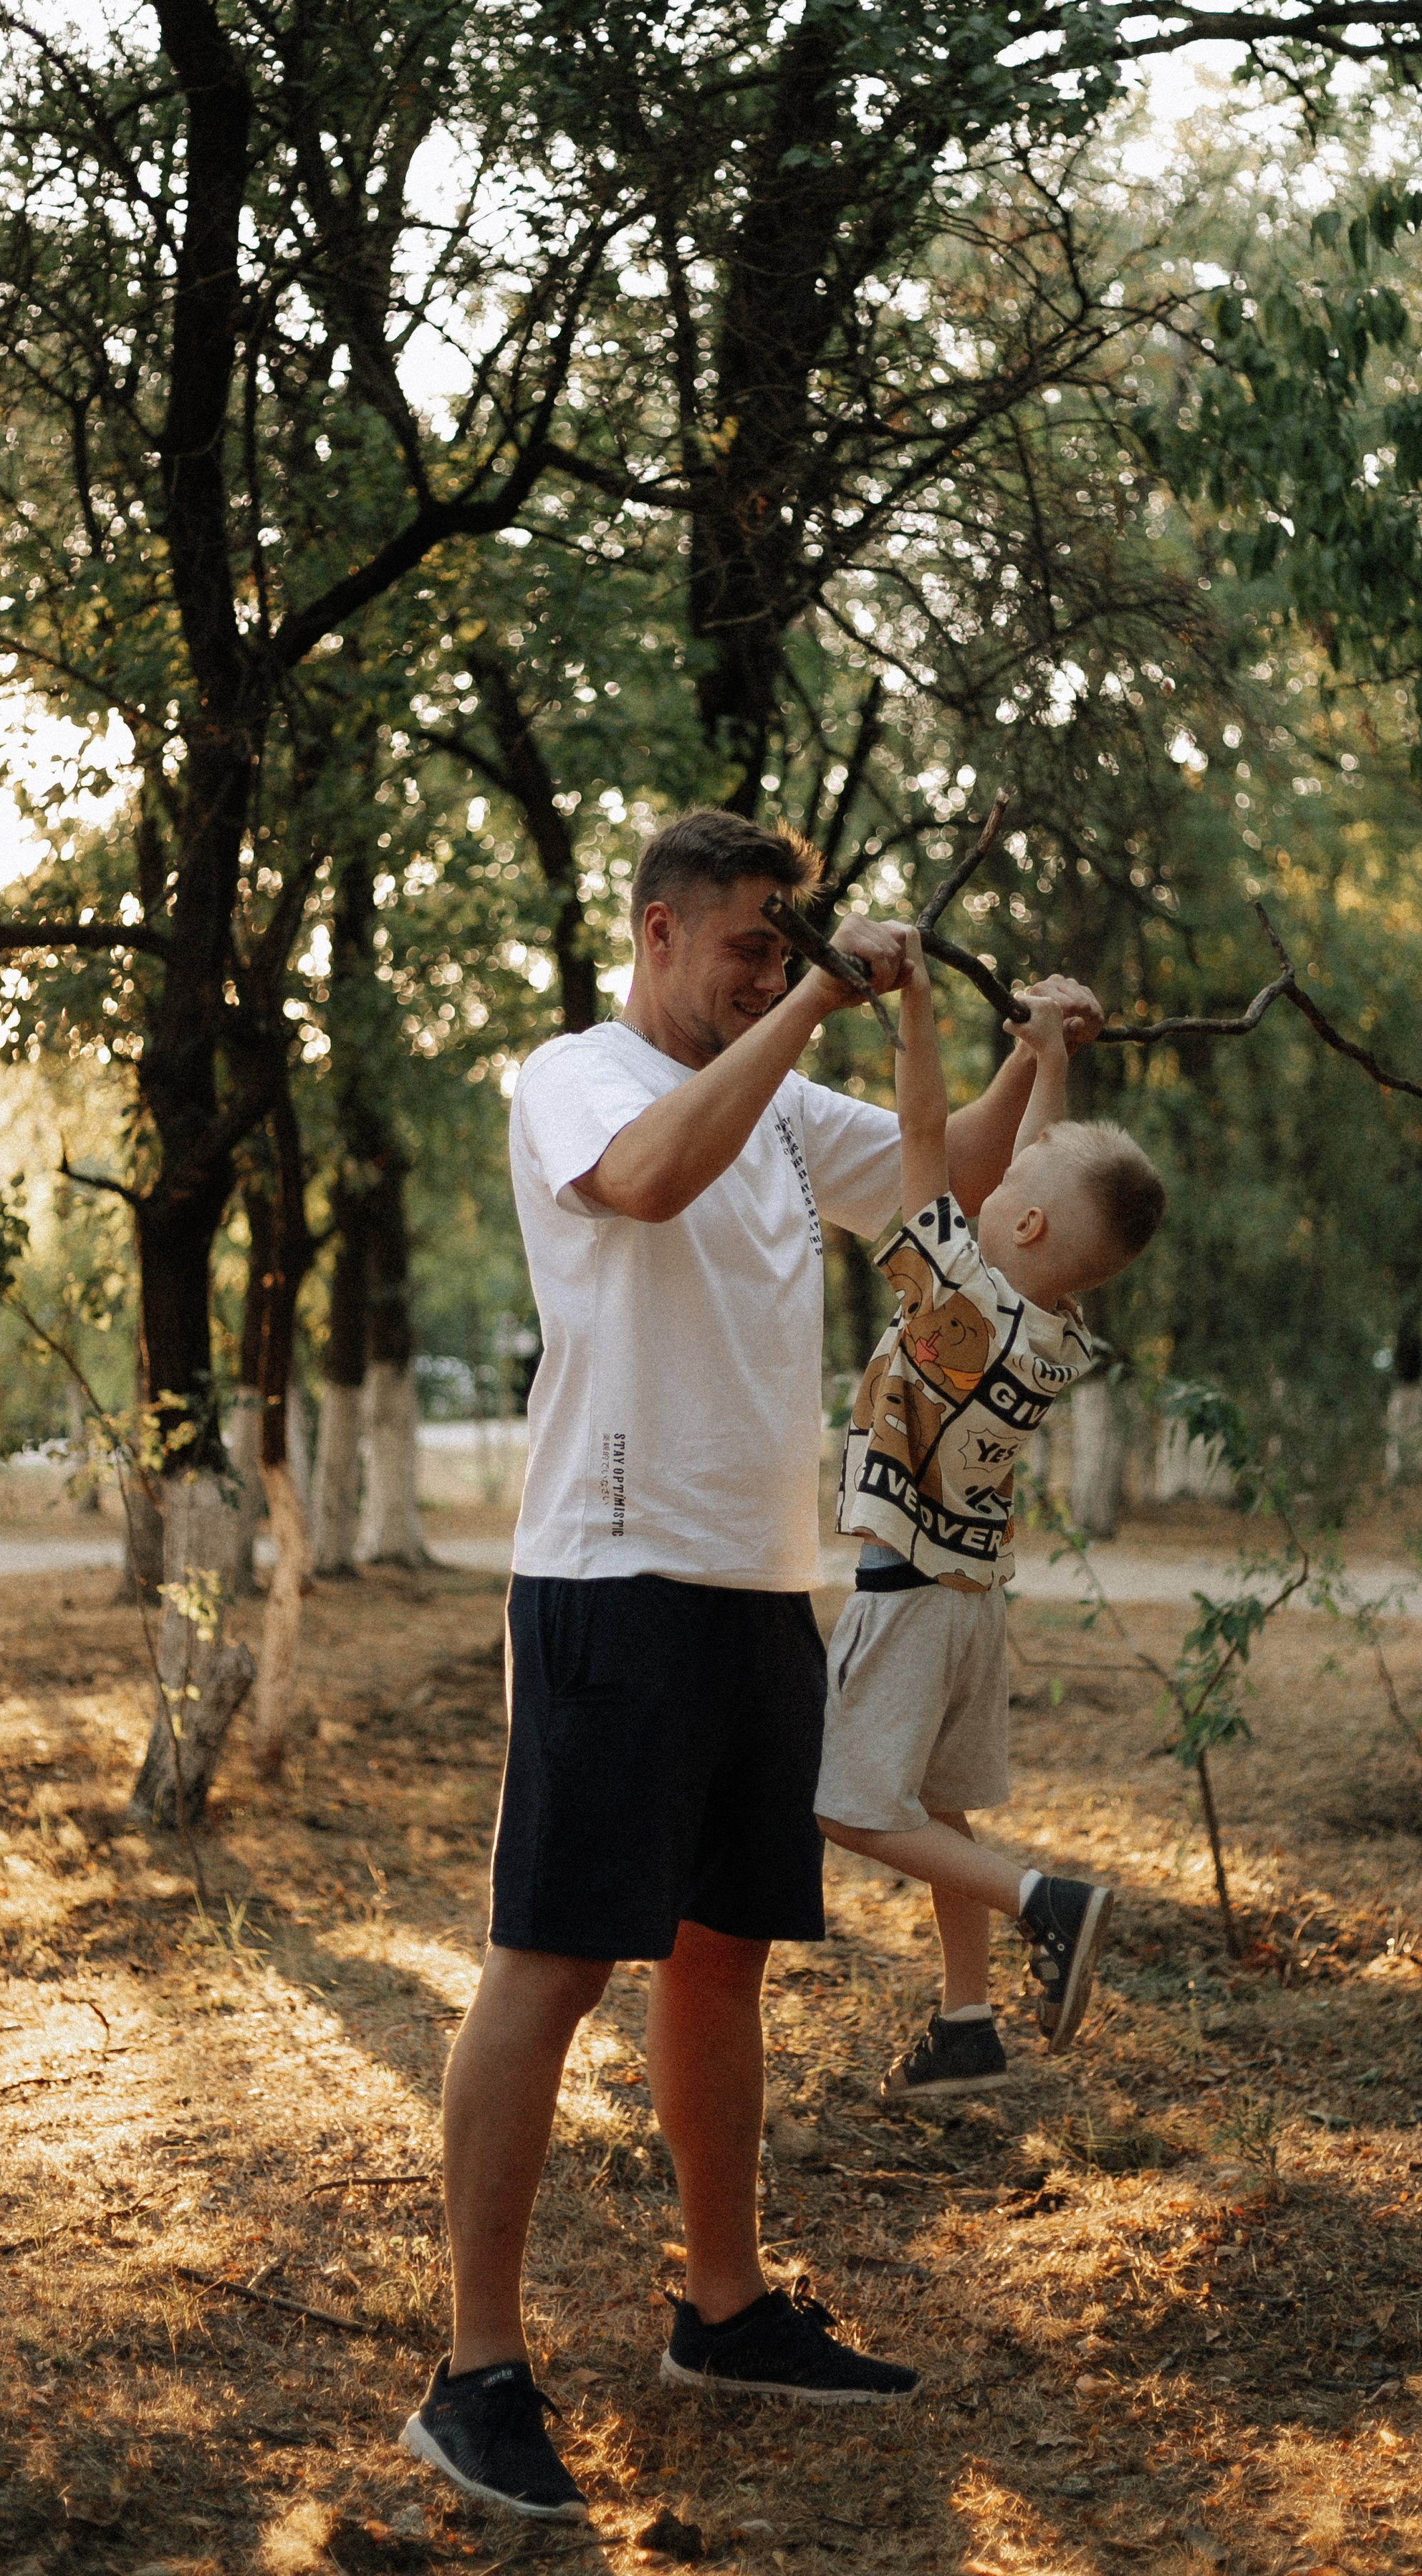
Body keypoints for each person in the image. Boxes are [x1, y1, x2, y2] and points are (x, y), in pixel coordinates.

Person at [399, 807, 1080, 2523]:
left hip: (763, 1586)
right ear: (657, 933)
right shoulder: (576, 1074)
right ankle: (474, 2373)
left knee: (720, 1964)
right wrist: (810, 1012)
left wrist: (1024, 1048)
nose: (773, 975)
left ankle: (722, 2308)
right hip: (608, 1580)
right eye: (749, 949)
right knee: (549, 1967)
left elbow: (959, 1183)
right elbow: (645, 1181)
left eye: (787, 951)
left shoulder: (785, 1102)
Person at [815, 929, 1165, 2103]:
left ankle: (1040, 1903)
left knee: (850, 1806)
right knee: (938, 1804)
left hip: (906, 1596)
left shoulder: (952, 1297)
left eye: (1005, 1188)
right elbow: (1039, 1168)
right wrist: (1050, 1054)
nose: (988, 1179)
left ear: (1013, 1228)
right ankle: (967, 2026)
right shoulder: (1052, 1332)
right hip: (973, 1607)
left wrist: (914, 1004)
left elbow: (923, 1137)